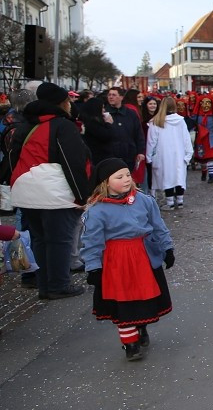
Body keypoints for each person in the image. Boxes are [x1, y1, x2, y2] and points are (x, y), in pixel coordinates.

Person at [81, 157, 175, 361]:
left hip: (143, 255)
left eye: (128, 175)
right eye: (119, 176)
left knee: (142, 300)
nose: (126, 179)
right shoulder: (97, 211)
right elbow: (91, 241)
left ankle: (141, 327)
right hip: (117, 261)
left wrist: (167, 248)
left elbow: (158, 226)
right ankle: (130, 344)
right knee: (124, 303)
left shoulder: (144, 200)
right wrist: (94, 267)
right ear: (105, 182)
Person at [9, 82, 91, 300]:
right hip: (55, 193)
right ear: (62, 102)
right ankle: (58, 284)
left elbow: (13, 157)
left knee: (40, 239)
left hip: (26, 192)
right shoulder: (62, 126)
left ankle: (45, 284)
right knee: (60, 240)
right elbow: (73, 163)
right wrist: (82, 196)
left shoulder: (26, 124)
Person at [146, 96, 194, 209]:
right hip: (179, 154)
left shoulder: (156, 122)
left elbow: (151, 142)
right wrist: (188, 154)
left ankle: (170, 202)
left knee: (167, 176)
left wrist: (149, 157)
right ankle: (180, 200)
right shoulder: (180, 121)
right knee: (178, 176)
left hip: (163, 155)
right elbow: (186, 139)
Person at [104, 86, 145, 172]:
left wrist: (140, 151)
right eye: (109, 95)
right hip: (110, 155)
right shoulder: (104, 114)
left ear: (121, 97)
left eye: (114, 95)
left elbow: (138, 133)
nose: (111, 97)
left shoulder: (131, 113)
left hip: (128, 154)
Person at [192, 93, 213, 184]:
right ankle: (204, 171)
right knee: (202, 160)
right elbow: (191, 125)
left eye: (208, 103)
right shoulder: (196, 115)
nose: (206, 105)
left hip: (212, 139)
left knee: (211, 159)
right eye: (203, 103)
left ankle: (211, 176)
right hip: (200, 140)